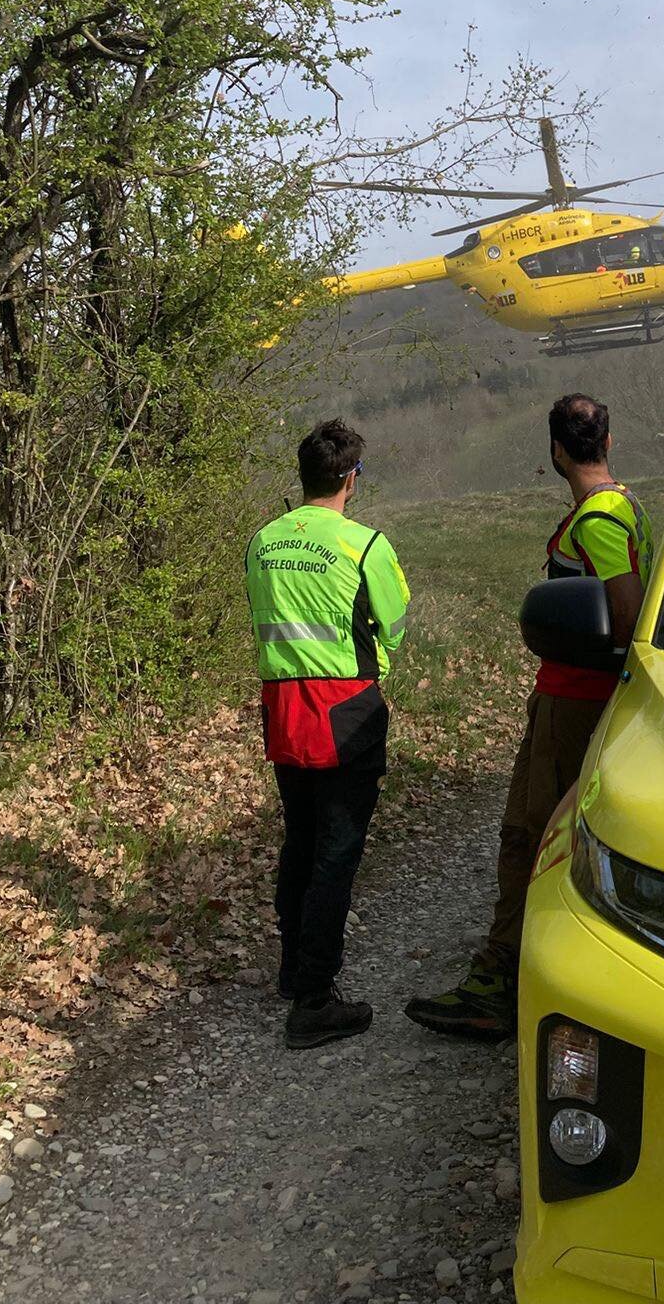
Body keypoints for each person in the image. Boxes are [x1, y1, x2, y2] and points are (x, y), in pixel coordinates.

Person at [406, 392, 652, 1040]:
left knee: (527, 836)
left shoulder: (598, 520)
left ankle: (499, 984)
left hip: (575, 701)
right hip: (586, 698)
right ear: (608, 441)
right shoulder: (625, 506)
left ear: (555, 451)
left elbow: (623, 614)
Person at [245, 418, 410, 1050]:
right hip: (346, 711)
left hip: (283, 707)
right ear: (351, 478)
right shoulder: (364, 544)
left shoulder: (262, 541)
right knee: (337, 852)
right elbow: (392, 627)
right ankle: (314, 999)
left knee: (302, 841)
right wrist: (376, 664)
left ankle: (293, 972)